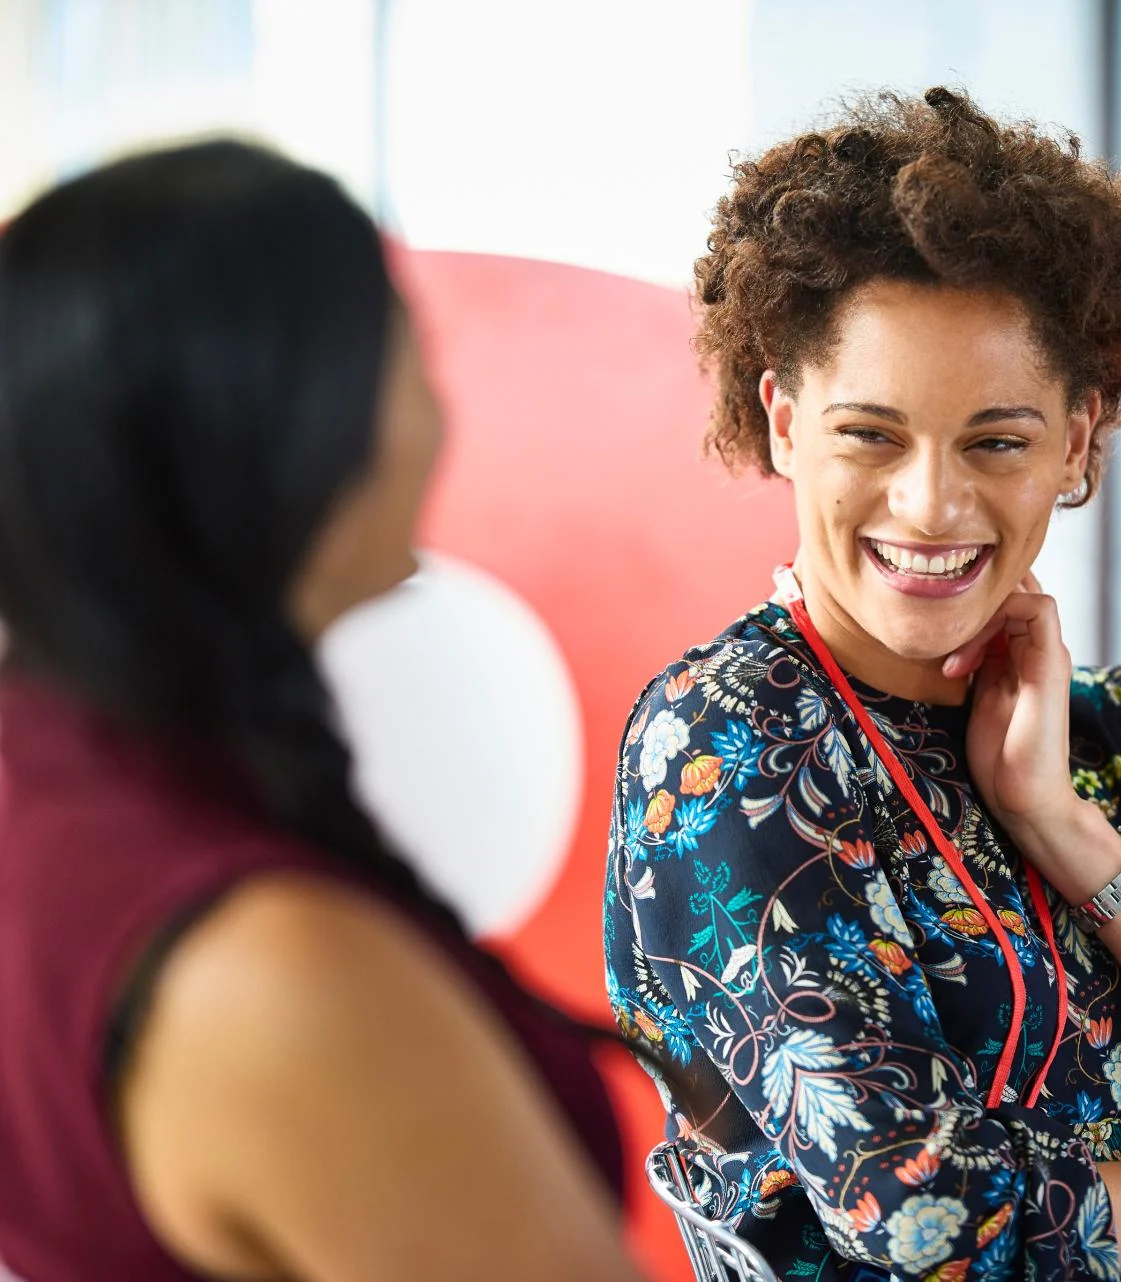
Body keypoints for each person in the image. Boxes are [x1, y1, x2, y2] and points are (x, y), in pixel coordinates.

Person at [603, 87, 1121, 1282]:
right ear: (783, 421)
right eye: (871, 435)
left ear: (1078, 443)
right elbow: (933, 1222)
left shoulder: (1116, 735)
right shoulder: (729, 740)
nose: (930, 504)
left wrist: (1066, 826)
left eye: (997, 440)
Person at [0, 141, 643, 1282]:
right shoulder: (271, 970)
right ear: (301, 429)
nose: (440, 408)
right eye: (409, 354)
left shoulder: (51, 784)